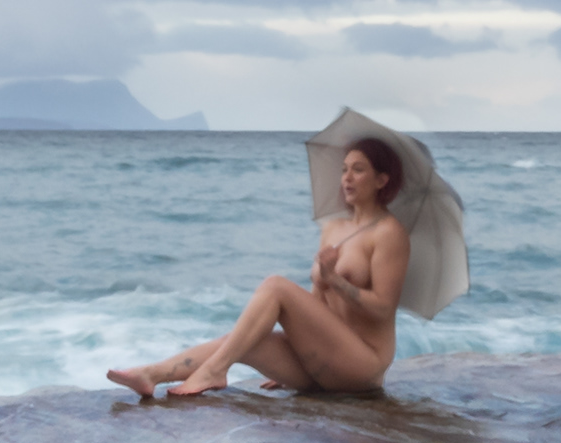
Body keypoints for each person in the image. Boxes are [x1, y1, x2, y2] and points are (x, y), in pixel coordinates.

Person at [109, 137, 410, 399]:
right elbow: (318, 304)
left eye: (358, 170)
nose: (347, 178)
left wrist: (336, 279)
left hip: (361, 366)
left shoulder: (388, 233)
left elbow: (383, 308)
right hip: (327, 358)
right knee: (245, 340)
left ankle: (215, 371)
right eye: (344, 169)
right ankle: (151, 374)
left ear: (381, 180)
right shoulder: (333, 228)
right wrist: (301, 350)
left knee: (276, 286)